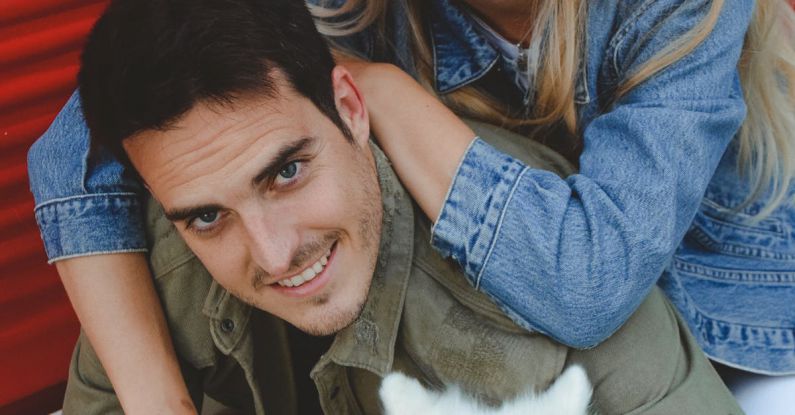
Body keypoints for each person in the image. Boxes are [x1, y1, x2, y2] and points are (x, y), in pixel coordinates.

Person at [27, 0, 795, 412]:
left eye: (285, 171)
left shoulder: (681, 8)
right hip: (501, 266)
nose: (264, 247)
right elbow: (78, 147)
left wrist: (384, 92)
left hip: (727, 298)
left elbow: (588, 281)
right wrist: (156, 400)